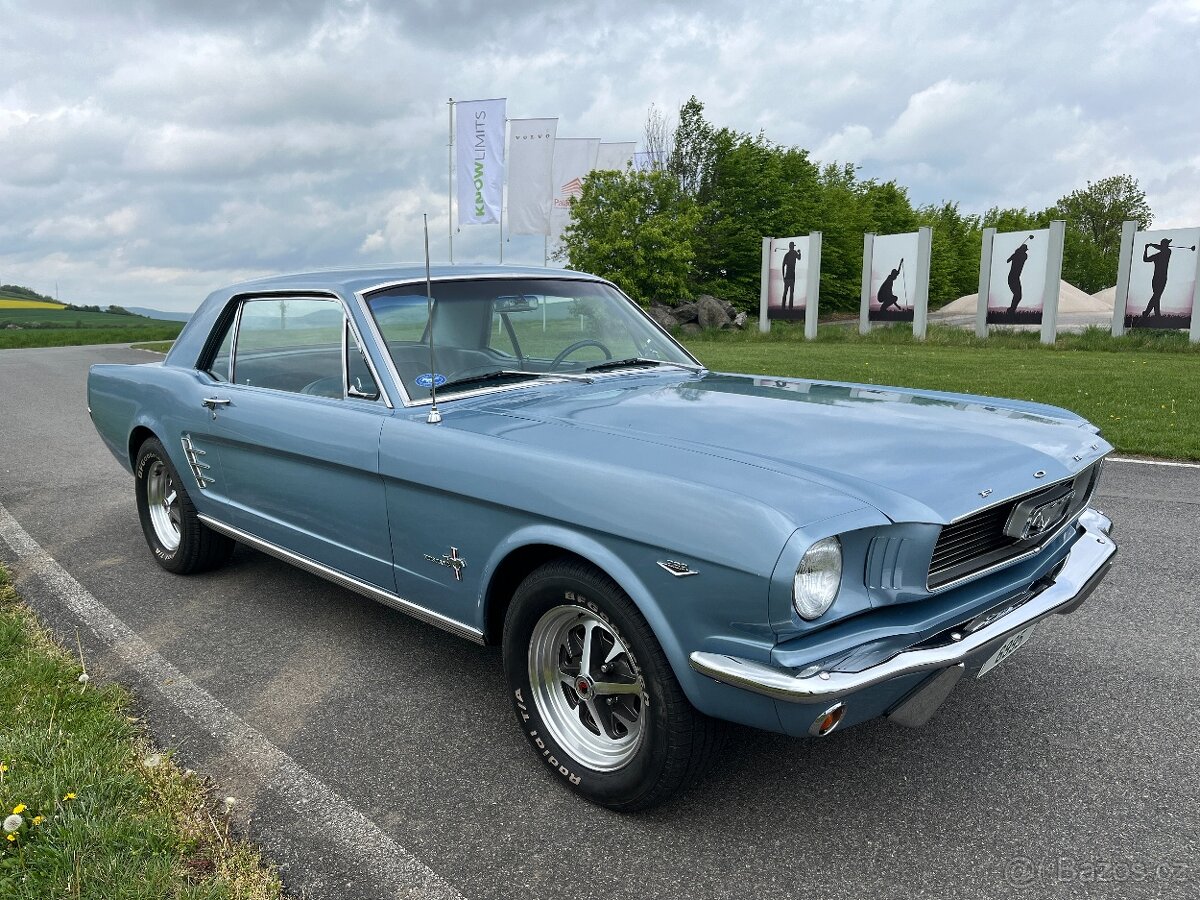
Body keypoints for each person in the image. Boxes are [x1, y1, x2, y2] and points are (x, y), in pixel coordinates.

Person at [1141, 237, 1173, 318]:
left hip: (1156, 278)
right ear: (1165, 245)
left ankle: (1157, 315)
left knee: (1157, 296)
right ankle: (1147, 313)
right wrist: (1148, 248)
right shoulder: (1166, 252)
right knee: (1156, 296)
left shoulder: (1165, 252)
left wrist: (1149, 246)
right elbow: (1145, 260)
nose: (1169, 245)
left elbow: (1146, 259)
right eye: (1167, 244)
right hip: (1161, 278)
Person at [1006, 241, 1029, 315]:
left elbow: (1008, 260)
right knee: (1018, 295)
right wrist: (1016, 253)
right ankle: (1011, 310)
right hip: (1013, 277)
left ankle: (1011, 310)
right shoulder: (1023, 255)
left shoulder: (1021, 255)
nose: (1026, 251)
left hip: (1013, 277)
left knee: (1017, 295)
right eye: (1025, 249)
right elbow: (1007, 261)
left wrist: (1016, 253)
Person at [781, 241, 800, 307]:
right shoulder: (793, 253)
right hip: (791, 276)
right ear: (791, 246)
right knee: (789, 292)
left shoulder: (788, 254)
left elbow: (783, 266)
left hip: (789, 276)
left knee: (787, 292)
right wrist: (799, 253)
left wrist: (783, 276)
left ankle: (786, 307)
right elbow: (799, 258)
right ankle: (788, 307)